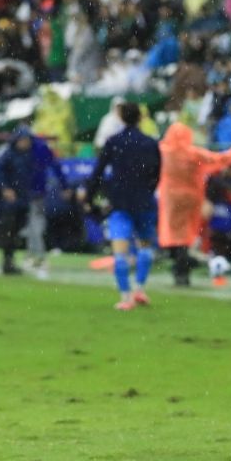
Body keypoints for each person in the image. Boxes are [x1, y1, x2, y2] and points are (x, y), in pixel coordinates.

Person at [81, 103, 162, 310]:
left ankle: (126, 297)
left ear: (120, 117)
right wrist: (148, 191)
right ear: (141, 118)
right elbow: (157, 174)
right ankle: (140, 289)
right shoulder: (151, 143)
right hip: (144, 201)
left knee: (120, 252)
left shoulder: (114, 142)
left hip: (120, 202)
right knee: (145, 248)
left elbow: (97, 173)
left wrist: (89, 198)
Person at [157, 122, 231, 286]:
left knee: (171, 234)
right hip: (191, 198)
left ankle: (180, 264)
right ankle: (184, 266)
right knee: (185, 236)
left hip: (170, 198)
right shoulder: (193, 153)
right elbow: (219, 159)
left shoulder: (163, 151)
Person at [0, 127, 66, 278]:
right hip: (11, 200)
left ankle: (19, 258)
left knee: (19, 228)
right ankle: (23, 257)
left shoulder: (29, 154)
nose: (25, 143)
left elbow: (46, 168)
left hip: (25, 197)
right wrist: (5, 189)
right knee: (12, 229)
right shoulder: (8, 154)